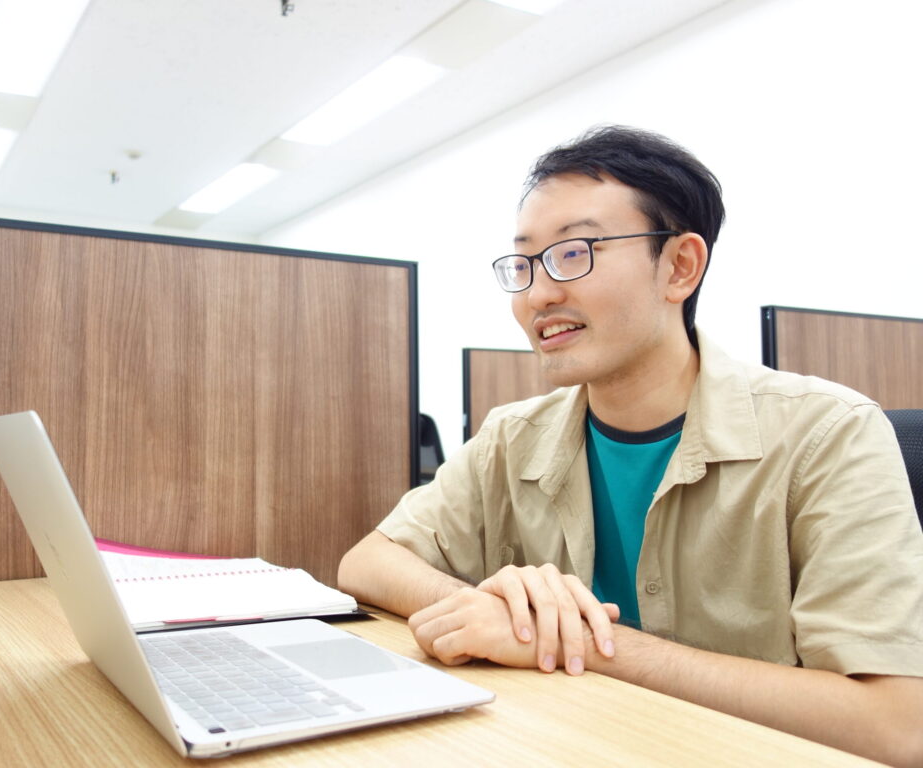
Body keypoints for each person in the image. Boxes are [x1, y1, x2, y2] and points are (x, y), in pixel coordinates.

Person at [337, 125, 923, 766]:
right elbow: (367, 562)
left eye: (574, 254)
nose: (537, 294)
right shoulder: (512, 436)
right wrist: (495, 610)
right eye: (524, 264)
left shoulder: (828, 433)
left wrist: (580, 640)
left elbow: (895, 725)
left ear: (679, 267)